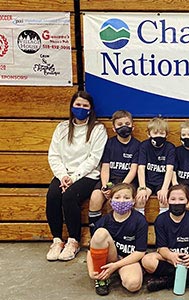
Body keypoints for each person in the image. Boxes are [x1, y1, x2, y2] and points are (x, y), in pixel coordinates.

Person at [46, 91, 108, 261]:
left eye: (85, 106)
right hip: (64, 175)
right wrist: (63, 176)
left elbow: (94, 158)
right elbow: (54, 155)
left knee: (69, 197)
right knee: (53, 195)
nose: (81, 108)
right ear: (72, 107)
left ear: (90, 109)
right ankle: (57, 240)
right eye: (78, 105)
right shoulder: (62, 128)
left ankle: (73, 241)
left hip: (87, 175)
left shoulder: (98, 129)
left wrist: (74, 178)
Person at [141, 184, 189, 292]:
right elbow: (161, 248)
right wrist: (171, 256)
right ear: (167, 201)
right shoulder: (161, 220)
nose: (177, 202)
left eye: (181, 199)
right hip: (170, 260)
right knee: (147, 260)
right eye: (173, 199)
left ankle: (166, 282)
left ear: (188, 201)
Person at [86, 183, 148, 296]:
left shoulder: (140, 221)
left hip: (128, 258)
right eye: (117, 197)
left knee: (133, 285)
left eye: (127, 197)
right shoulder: (104, 221)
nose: (122, 201)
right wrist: (91, 271)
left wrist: (116, 266)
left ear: (133, 201)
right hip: (111, 257)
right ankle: (101, 278)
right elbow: (91, 250)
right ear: (110, 201)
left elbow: (140, 252)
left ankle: (120, 271)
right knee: (100, 233)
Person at [88, 110, 140, 235]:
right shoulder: (109, 144)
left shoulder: (137, 145)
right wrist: (106, 185)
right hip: (111, 181)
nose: (124, 127)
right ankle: (95, 234)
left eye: (127, 123)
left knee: (123, 198)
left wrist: (118, 190)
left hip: (127, 182)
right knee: (95, 197)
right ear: (114, 127)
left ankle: (122, 234)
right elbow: (105, 167)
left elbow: (133, 170)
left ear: (133, 126)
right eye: (120, 124)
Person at [136, 117, 175, 215]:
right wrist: (142, 187)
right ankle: (140, 226)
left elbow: (170, 169)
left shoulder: (170, 148)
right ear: (148, 134)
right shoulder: (144, 146)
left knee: (164, 200)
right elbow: (141, 167)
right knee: (140, 199)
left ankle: (163, 225)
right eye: (155, 133)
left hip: (162, 182)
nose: (158, 136)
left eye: (162, 133)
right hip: (148, 182)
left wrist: (164, 188)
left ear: (166, 134)